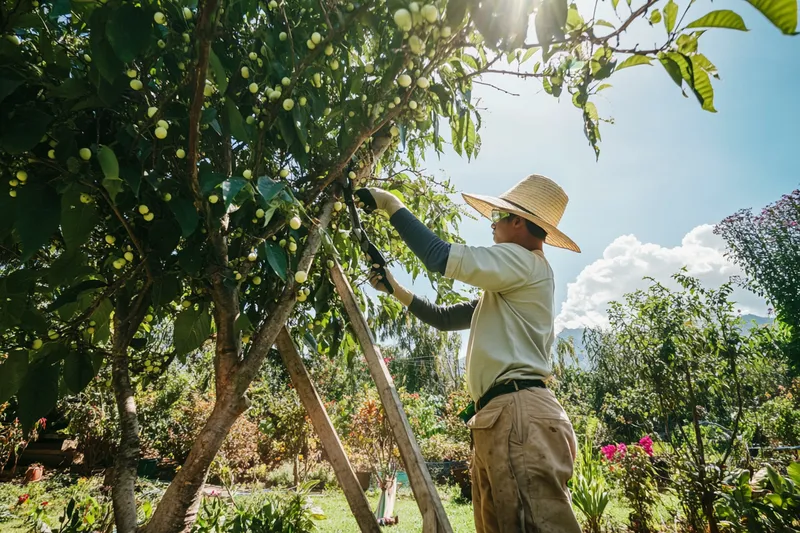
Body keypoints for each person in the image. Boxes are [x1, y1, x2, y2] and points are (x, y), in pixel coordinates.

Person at [356, 174, 582, 533]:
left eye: (497, 216)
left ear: (518, 222)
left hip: (517, 413)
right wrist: (394, 289)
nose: (491, 225)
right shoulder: (511, 286)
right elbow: (443, 319)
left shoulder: (522, 261)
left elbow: (439, 256)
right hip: (503, 415)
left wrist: (389, 204)